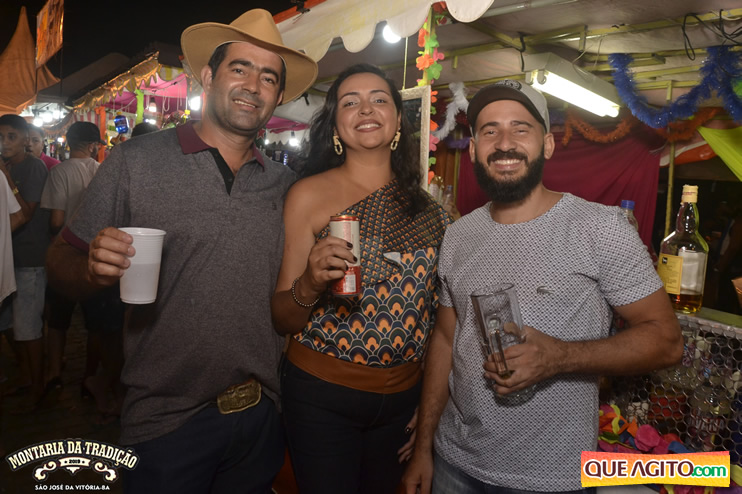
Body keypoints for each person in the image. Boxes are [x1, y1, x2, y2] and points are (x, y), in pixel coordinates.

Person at [45, 9, 317, 493]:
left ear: (278, 96)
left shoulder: (286, 187)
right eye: (240, 68)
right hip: (164, 424)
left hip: (259, 418)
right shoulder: (135, 162)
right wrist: (90, 270)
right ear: (208, 77)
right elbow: (58, 261)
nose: (253, 86)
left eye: (268, 78)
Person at [402, 80, 683, 494]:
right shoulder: (458, 235)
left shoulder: (599, 228)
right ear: (474, 148)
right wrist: (424, 446)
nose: (505, 143)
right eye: (490, 131)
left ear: (547, 145)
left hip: (551, 477)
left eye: (521, 129)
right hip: (454, 463)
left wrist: (559, 357)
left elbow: (667, 341)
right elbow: (446, 340)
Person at [271, 63, 450, 494]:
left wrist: (428, 411)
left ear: (398, 122)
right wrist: (311, 282)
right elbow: (282, 318)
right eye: (350, 102)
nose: (366, 109)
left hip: (403, 402)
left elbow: (440, 327)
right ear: (336, 126)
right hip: (322, 397)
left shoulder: (431, 212)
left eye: (379, 99)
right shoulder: (307, 195)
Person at [40, 121, 123, 416]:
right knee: (96, 326)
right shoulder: (102, 171)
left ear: (68, 142)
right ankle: (90, 376)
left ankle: (54, 373)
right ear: (93, 145)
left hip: (66, 257)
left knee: (58, 321)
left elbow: (55, 220)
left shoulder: (59, 172)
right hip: (96, 256)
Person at [0, 114, 50, 412]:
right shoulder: (7, 167)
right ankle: (26, 375)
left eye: (11, 137)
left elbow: (25, 214)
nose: (5, 143)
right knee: (9, 324)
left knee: (29, 327)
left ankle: (38, 386)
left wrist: (6, 178)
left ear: (25, 140)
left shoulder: (33, 167)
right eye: (1, 137)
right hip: (8, 259)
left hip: (29, 258)